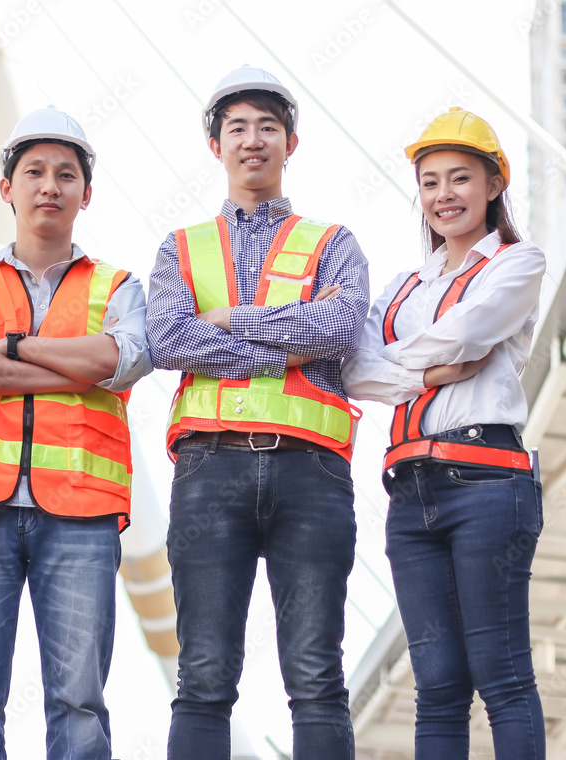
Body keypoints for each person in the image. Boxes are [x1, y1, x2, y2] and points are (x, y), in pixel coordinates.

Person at [146, 65, 368, 760]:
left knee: (316, 675)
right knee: (204, 676)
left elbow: (340, 329)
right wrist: (283, 342)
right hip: (211, 469)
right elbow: (170, 339)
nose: (252, 140)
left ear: (290, 142)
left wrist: (231, 322)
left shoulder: (335, 243)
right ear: (215, 145)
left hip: (312, 471)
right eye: (237, 128)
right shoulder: (178, 248)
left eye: (267, 127)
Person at [0, 106, 151, 760]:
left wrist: (14, 348)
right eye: (34, 172)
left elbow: (122, 362)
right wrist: (78, 367)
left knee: (80, 707)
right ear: (8, 188)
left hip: (80, 512)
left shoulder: (119, 285)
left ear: (86, 192)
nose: (49, 185)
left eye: (65, 174)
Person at [342, 107, 546, 759]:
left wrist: (402, 362)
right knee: (437, 689)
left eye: (460, 178)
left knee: (503, 677)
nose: (444, 195)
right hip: (409, 495)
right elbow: (352, 368)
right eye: (430, 182)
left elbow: (467, 331)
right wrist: (435, 372)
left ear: (493, 186)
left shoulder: (518, 263)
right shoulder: (403, 285)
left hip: (487, 481)